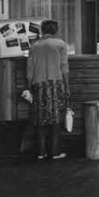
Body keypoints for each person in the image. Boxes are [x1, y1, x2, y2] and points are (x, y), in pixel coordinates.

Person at [26, 20, 71, 160]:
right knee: (57, 118)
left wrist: (29, 87)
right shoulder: (61, 44)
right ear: (56, 30)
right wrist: (67, 86)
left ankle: (41, 152)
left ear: (42, 30)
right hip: (56, 84)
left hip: (38, 85)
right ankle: (55, 152)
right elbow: (64, 68)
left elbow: (30, 70)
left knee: (40, 119)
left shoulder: (34, 46)